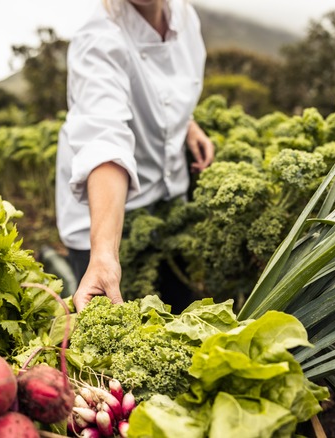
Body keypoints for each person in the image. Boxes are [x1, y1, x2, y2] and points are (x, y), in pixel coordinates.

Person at [55, 0, 215, 312]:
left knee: (179, 306)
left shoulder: (184, 16)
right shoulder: (98, 38)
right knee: (117, 335)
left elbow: (167, 89)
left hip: (166, 197)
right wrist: (103, 255)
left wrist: (187, 124)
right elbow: (105, 139)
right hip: (103, 212)